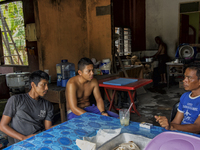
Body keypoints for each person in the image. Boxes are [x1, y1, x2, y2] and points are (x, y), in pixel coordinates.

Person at [0, 70, 54, 145]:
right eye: (43, 84)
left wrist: (64, 125)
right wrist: (24, 138)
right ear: (33, 84)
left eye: (47, 85)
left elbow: (48, 128)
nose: (47, 88)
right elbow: (2, 126)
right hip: (20, 142)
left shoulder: (48, 105)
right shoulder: (15, 100)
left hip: (38, 140)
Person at [155, 65, 200, 134]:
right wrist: (167, 125)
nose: (184, 80)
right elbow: (176, 122)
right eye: (185, 77)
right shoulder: (185, 96)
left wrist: (172, 127)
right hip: (181, 133)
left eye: (189, 78)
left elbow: (197, 128)